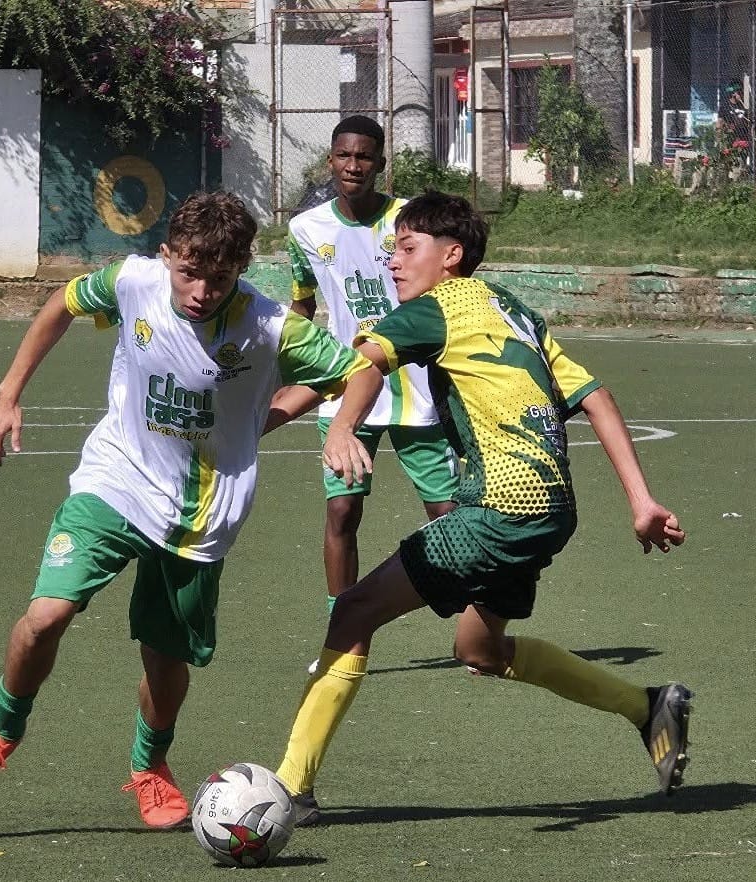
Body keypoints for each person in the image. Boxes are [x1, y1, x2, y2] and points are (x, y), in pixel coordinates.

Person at [0, 191, 382, 828]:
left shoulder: (269, 325)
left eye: (220, 276)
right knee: (46, 616)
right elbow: (62, 305)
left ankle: (150, 766)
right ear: (167, 255)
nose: (201, 289)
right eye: (189, 271)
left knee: (164, 656)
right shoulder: (132, 282)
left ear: (242, 270)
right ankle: (2, 730)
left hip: (203, 510)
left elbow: (358, 370)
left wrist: (313, 420)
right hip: (115, 478)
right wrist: (8, 394)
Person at [271, 191, 693, 825]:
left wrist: (342, 428)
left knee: (354, 610)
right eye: (393, 251)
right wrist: (641, 501)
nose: (394, 263)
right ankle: (648, 705)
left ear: (451, 255)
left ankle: (290, 789)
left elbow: (360, 364)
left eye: (408, 250)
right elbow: (596, 397)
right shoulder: (515, 311)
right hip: (549, 511)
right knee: (482, 651)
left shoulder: (437, 308)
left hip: (501, 507)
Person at [280, 115, 458, 635]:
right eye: (344, 155)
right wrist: (286, 368)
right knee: (341, 513)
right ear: (330, 159)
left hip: (416, 390)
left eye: (364, 157)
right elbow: (302, 304)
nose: (353, 166)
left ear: (380, 163)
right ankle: (343, 628)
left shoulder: (411, 222)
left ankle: (477, 620)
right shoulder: (305, 229)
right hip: (347, 392)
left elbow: (448, 288)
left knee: (446, 513)